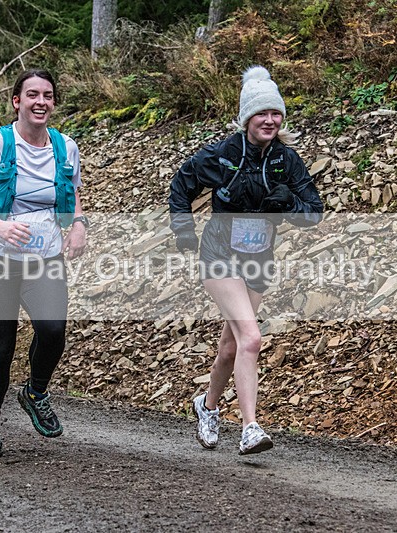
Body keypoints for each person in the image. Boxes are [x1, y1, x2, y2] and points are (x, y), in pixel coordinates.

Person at [169, 65, 323, 455]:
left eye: (276, 114)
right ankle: (251, 427)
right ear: (246, 118)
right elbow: (182, 183)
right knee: (252, 338)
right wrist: (184, 230)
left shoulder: (286, 161)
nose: (269, 120)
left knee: (232, 347)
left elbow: (314, 213)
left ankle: (206, 406)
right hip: (219, 255)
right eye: (261, 113)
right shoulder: (223, 154)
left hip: (258, 260)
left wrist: (287, 203)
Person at [0, 68, 88, 459]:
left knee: (53, 330)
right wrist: (0, 226)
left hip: (44, 258)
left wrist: (78, 226)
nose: (40, 101)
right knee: (0, 347)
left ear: (54, 103)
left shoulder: (65, 147)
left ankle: (35, 392)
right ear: (17, 102)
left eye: (47, 95)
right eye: (32, 95)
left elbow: (72, 193)